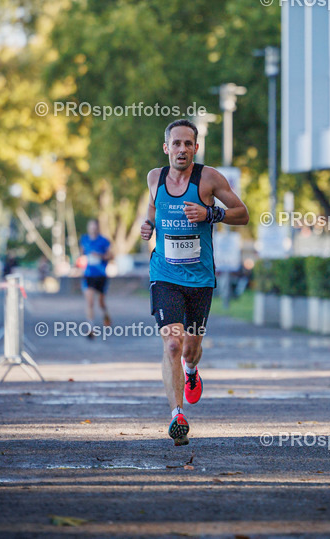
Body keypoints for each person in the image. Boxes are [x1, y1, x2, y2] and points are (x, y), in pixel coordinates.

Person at [141, 119, 249, 446]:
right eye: (176, 143)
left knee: (190, 349)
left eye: (188, 143)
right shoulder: (155, 178)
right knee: (172, 344)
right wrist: (148, 225)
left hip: (200, 279)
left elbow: (242, 213)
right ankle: (177, 415)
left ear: (196, 148)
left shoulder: (209, 179)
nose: (182, 149)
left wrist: (210, 214)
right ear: (166, 147)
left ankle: (191, 371)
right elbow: (152, 207)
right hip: (164, 274)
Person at [81, 219, 113, 338]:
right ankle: (91, 328)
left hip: (101, 275)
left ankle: (106, 314)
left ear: (98, 228)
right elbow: (82, 254)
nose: (93, 229)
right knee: (89, 301)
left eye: (95, 227)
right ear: (88, 228)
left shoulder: (104, 241)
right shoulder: (84, 240)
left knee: (101, 302)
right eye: (91, 227)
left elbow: (111, 255)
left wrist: (100, 256)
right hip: (88, 275)